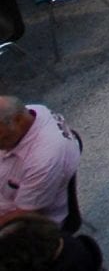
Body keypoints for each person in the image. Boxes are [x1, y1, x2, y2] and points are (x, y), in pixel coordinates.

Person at [0, 96, 81, 227]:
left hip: (25, 226)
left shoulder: (43, 159)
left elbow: (27, 214)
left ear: (18, 120)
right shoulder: (32, 111)